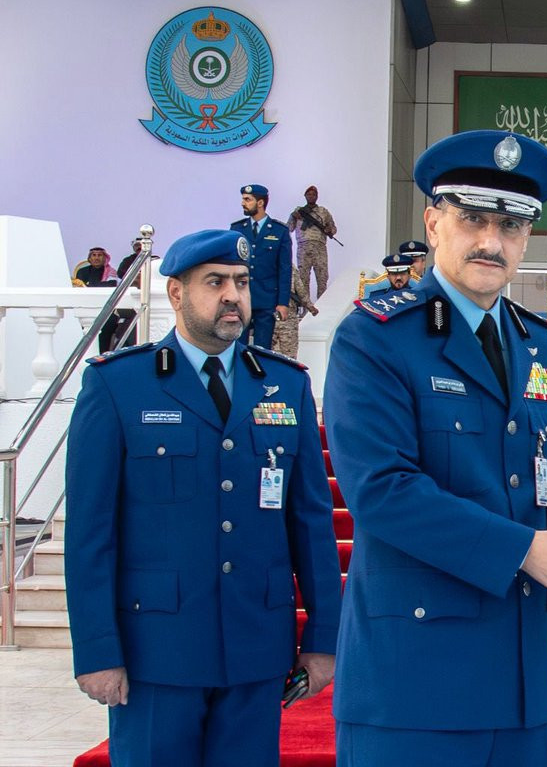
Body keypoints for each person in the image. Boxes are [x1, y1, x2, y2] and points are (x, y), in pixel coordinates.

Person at [323, 130, 547, 767]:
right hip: (415, 682)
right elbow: (381, 489)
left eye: (511, 226)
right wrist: (525, 549)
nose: (492, 241)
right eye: (473, 220)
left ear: (527, 238)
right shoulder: (376, 338)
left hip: (521, 685)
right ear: (434, 224)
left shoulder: (541, 343)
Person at [64, 228, 342, 766]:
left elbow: (311, 523)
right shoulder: (119, 384)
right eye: (215, 282)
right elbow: (90, 533)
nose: (233, 296)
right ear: (176, 292)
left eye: (241, 282)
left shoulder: (284, 385)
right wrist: (97, 650)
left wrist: (322, 638)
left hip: (256, 648)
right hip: (156, 651)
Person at [230, 183, 292, 350]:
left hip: (266, 299)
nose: (243, 203)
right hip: (240, 298)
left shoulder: (279, 231)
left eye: (247, 200)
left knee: (262, 350)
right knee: (237, 348)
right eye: (243, 199)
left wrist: (283, 303)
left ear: (260, 203)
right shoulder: (237, 229)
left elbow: (284, 269)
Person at [287, 185, 338, 301]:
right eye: (309, 194)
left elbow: (333, 228)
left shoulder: (323, 212)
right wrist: (292, 216)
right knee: (303, 279)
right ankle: (305, 307)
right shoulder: (299, 211)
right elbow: (288, 228)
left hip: (319, 247)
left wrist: (329, 230)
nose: (311, 196)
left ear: (317, 196)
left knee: (322, 278)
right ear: (305, 196)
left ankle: (322, 305)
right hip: (303, 247)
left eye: (313, 194)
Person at [73, 246, 122, 351]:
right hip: (87, 307)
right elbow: (80, 287)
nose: (96, 258)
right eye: (94, 255)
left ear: (105, 258)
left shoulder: (111, 273)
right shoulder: (82, 271)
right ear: (89, 258)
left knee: (108, 326)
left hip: (106, 308)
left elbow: (111, 285)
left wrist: (90, 286)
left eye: (99, 255)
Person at [271, 267, 319, 360]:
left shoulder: (264, 267)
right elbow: (301, 291)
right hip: (288, 318)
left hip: (269, 318)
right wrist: (311, 308)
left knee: (269, 356)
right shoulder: (290, 268)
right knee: (290, 357)